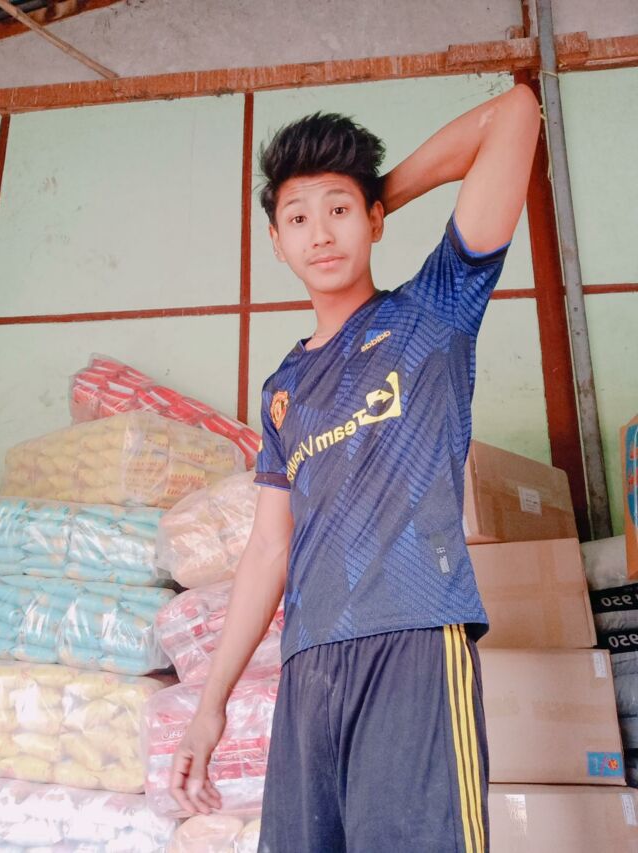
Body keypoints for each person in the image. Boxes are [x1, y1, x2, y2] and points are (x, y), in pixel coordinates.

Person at [169, 83, 541, 852]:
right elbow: (267, 549)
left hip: (413, 641)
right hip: (311, 667)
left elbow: (515, 113)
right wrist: (210, 706)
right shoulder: (284, 390)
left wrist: (377, 194)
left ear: (373, 219)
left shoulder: (433, 312)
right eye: (297, 219)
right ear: (276, 241)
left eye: (338, 210)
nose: (320, 233)